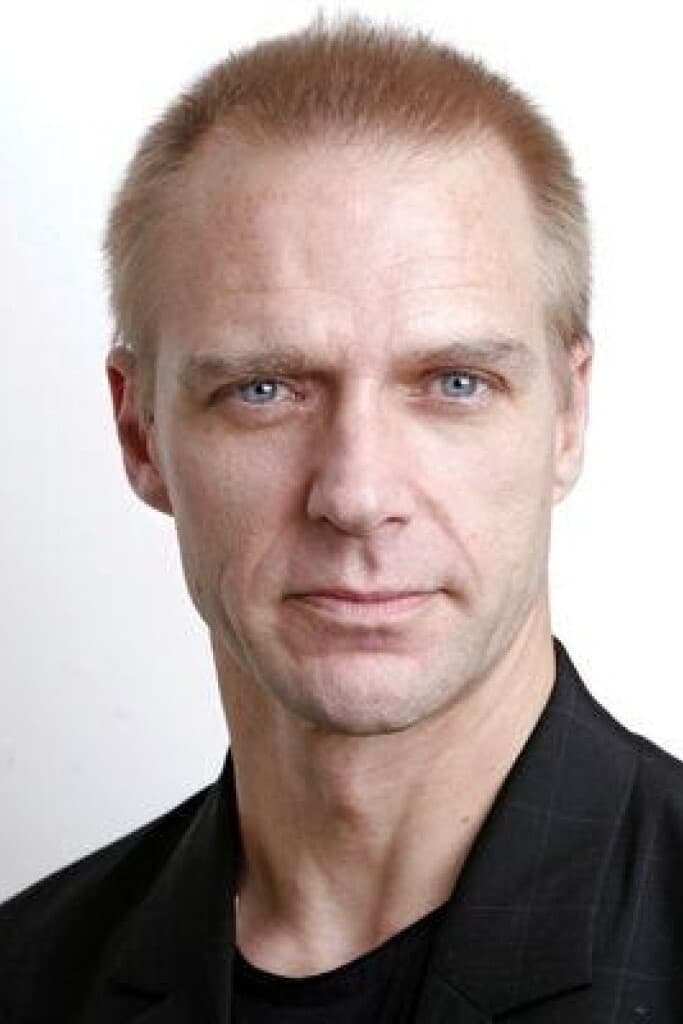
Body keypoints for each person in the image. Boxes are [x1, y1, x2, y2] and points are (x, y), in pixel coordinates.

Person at [2, 15, 682, 1023]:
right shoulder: (27, 975)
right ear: (139, 433)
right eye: (264, 390)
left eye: (453, 382)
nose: (358, 496)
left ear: (566, 417)